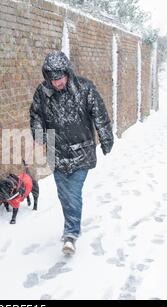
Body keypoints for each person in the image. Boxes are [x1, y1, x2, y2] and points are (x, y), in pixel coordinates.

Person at [29, 51, 114, 256]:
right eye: (52, 79)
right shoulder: (43, 92)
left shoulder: (85, 88)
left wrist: (105, 138)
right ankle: (71, 226)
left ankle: (70, 235)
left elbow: (99, 113)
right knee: (63, 194)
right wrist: (39, 137)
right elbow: (36, 115)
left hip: (81, 151)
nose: (57, 83)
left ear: (67, 73)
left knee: (73, 193)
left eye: (59, 78)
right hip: (56, 152)